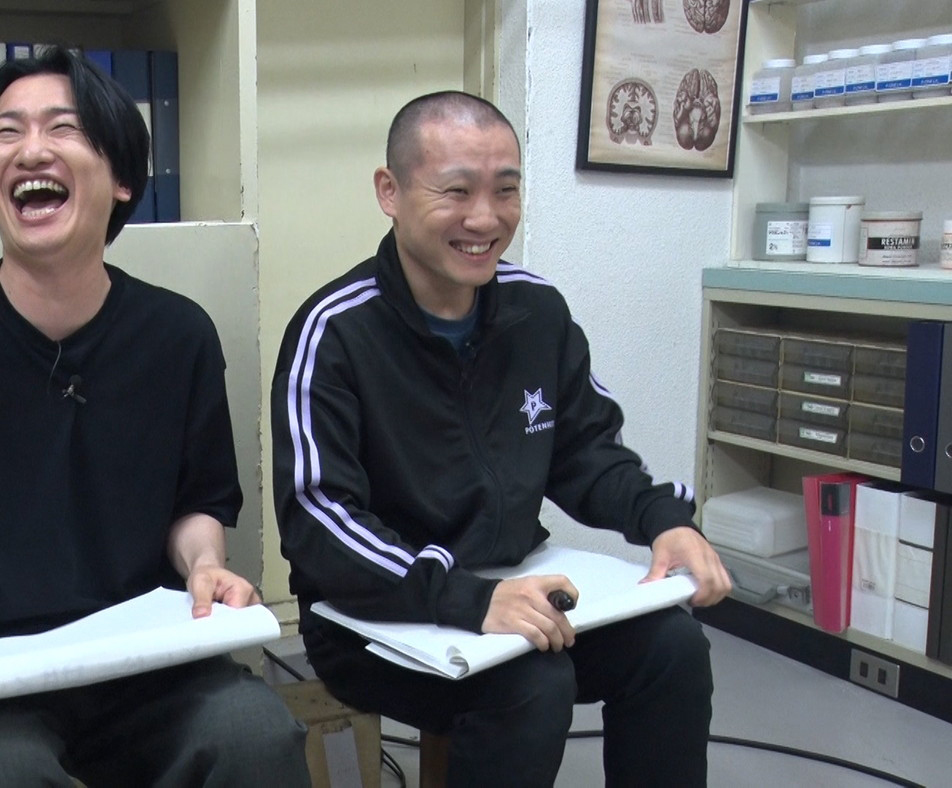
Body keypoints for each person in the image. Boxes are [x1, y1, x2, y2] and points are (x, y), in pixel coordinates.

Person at [0, 47, 309, 787]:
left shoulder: (178, 337)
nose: (30, 150)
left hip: (145, 665)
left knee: (255, 734)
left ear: (122, 178)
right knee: (2, 774)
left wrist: (205, 566)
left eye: (62, 128)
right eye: (6, 133)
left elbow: (196, 502)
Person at [271, 90, 732, 787]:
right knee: (532, 684)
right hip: (370, 617)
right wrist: (465, 599)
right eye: (456, 191)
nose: (485, 218)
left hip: (510, 583)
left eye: (506, 190)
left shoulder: (536, 311)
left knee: (673, 646)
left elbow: (586, 452)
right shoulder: (334, 331)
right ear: (390, 191)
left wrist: (664, 519)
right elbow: (319, 523)